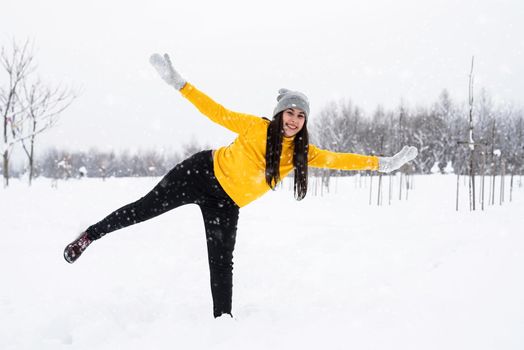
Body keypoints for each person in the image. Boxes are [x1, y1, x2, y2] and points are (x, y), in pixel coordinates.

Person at [64, 53, 418, 318]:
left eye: (300, 115)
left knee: (221, 263)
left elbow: (342, 159)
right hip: (200, 173)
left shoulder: (302, 153)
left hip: (226, 203)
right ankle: (89, 235)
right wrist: (179, 83)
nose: (294, 120)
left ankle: (223, 325)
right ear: (279, 113)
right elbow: (215, 111)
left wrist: (383, 164)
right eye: (289, 113)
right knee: (143, 209)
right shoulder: (255, 127)